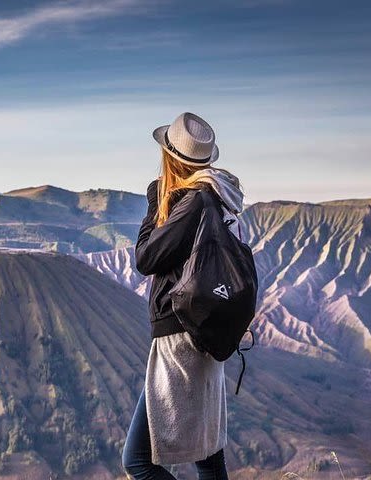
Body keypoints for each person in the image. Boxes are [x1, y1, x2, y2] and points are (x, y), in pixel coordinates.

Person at [121, 112, 245, 480]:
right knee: (208, 455)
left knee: (138, 462)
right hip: (205, 331)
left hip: (181, 339)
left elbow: (146, 258)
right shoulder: (220, 197)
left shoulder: (194, 203)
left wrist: (154, 200)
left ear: (169, 157)